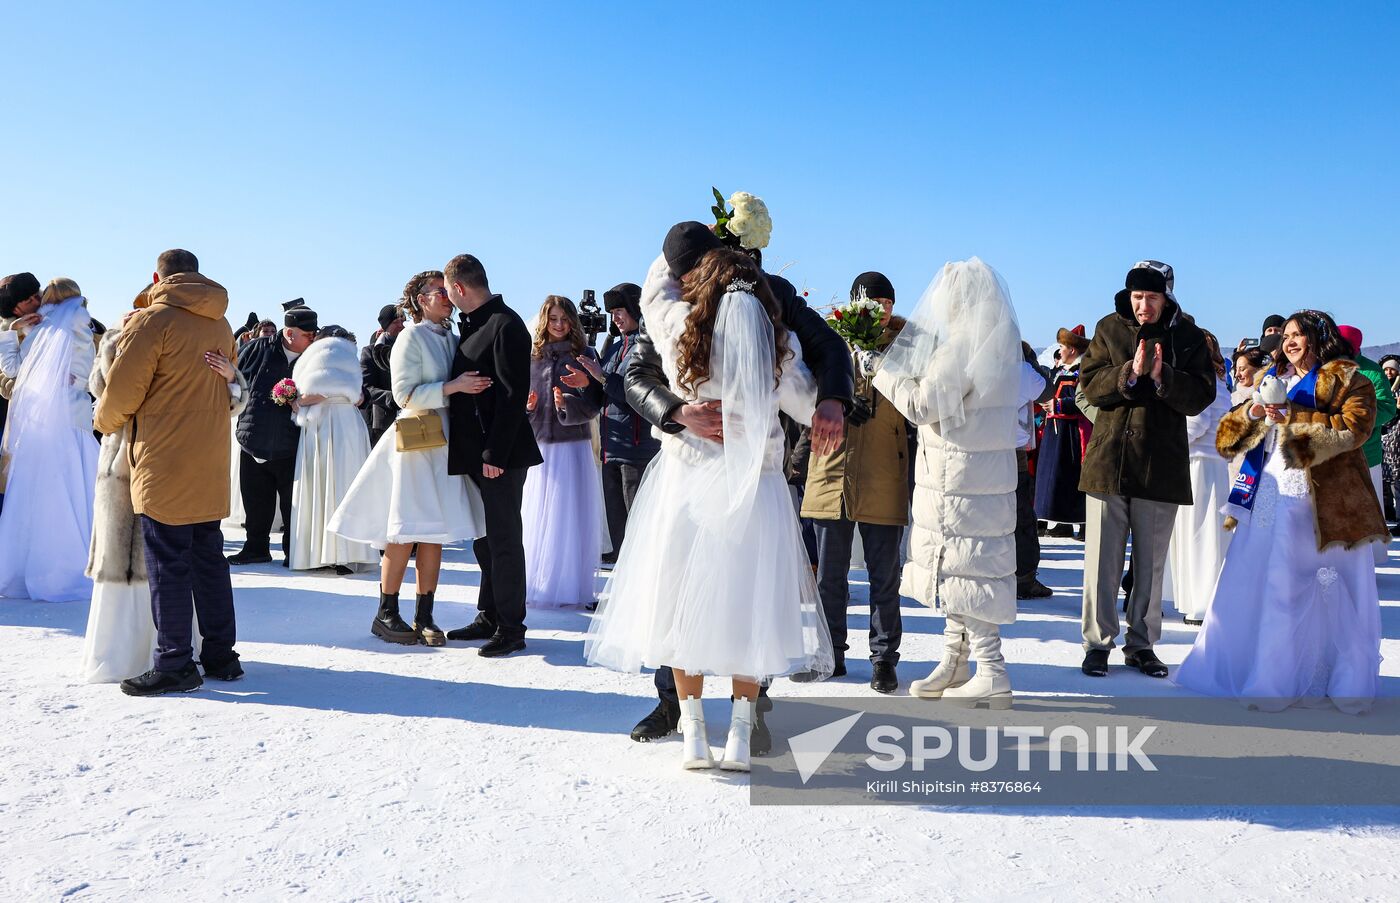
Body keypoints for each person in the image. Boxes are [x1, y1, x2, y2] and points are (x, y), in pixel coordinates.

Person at [586, 248, 834, 771]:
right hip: (755, 491)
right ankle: (740, 738)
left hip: (688, 484)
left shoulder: (680, 332)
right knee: (751, 610)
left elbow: (655, 298)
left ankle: (694, 735)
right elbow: (808, 405)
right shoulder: (778, 346)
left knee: (681, 608)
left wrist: (674, 259)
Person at [1176, 310, 1387, 713]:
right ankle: (1264, 671)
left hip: (1325, 498)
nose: (1288, 342)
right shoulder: (1270, 379)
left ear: (1319, 338)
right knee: (1263, 576)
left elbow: (1355, 429)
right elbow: (1227, 439)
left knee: (1303, 578)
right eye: (1285, 335)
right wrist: (1254, 413)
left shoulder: (1348, 378)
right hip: (1269, 490)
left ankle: (1324, 675)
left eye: (1297, 335)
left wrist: (1293, 418)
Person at [871, 259, 1038, 705]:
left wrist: (879, 369)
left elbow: (921, 405)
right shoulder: (998, 348)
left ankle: (992, 670)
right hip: (982, 477)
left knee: (965, 569)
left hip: (958, 480)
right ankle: (955, 661)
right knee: (961, 571)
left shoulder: (961, 347)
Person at [93, 250, 242, 695]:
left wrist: (101, 422)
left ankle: (175, 662)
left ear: (157, 277)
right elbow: (229, 388)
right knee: (208, 559)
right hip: (209, 457)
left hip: (163, 457)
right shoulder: (220, 322)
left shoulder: (151, 321)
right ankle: (221, 656)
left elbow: (123, 392)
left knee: (167, 563)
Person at [329, 272, 489, 645]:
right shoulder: (410, 337)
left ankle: (424, 615)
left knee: (434, 533)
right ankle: (386, 612)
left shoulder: (451, 336)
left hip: (445, 442)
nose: (447, 297)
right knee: (404, 531)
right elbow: (403, 395)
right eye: (439, 291)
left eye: (448, 291)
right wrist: (453, 387)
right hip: (416, 443)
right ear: (420, 300)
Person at [1077, 260, 1216, 679]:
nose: (1143, 306)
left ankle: (1142, 644)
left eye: (1151, 297)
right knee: (1101, 561)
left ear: (1166, 297)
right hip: (1109, 461)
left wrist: (1163, 376)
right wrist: (1129, 372)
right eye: (1137, 297)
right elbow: (1089, 385)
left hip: (1160, 464)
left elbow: (1202, 395)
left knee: (1151, 564)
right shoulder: (1108, 328)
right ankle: (1097, 643)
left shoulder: (1188, 336)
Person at [798, 271, 909, 693]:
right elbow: (801, 392)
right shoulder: (831, 342)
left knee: (885, 576)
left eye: (887, 303)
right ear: (854, 303)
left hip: (884, 469)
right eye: (872, 302)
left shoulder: (907, 347)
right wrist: (839, 400)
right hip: (832, 467)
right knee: (829, 576)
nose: (880, 310)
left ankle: (884, 659)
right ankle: (831, 655)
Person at [442, 254, 543, 657]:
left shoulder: (505, 324)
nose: (447, 298)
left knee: (504, 540)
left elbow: (513, 396)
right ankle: (489, 614)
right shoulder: (474, 324)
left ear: (459, 287)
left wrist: (495, 454)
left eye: (448, 291)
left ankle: (512, 627)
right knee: (484, 542)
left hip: (501, 456)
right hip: (477, 455)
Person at [0, 277, 98, 602]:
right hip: (75, 421)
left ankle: (33, 566)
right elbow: (89, 375)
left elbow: (12, 370)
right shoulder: (84, 327)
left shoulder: (42, 331)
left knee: (40, 495)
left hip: (42, 426)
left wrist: (10, 332)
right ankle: (82, 560)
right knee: (78, 493)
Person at [515, 295, 605, 607]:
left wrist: (570, 402)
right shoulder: (532, 356)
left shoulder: (585, 354)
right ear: (544, 320)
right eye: (553, 318)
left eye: (564, 319)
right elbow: (521, 402)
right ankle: (538, 582)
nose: (558, 325)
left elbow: (595, 403)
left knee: (569, 516)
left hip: (573, 444)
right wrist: (528, 409)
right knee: (538, 515)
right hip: (540, 445)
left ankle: (569, 586)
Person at [566, 283, 660, 567]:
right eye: (612, 312)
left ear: (636, 309)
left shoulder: (650, 347)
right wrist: (585, 384)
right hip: (611, 447)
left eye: (620, 310)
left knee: (638, 517)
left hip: (638, 448)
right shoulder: (615, 347)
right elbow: (601, 398)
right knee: (616, 517)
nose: (615, 317)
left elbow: (639, 395)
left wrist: (602, 377)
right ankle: (622, 562)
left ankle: (642, 569)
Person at [229, 300, 319, 566]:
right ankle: (256, 548)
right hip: (253, 435)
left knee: (293, 503)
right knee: (255, 499)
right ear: (289, 333)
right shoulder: (257, 348)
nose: (312, 339)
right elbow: (236, 381)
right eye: (308, 335)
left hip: (291, 442)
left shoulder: (314, 357)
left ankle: (294, 552)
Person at [289, 326, 377, 573]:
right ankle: (347, 553)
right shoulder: (348, 356)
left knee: (324, 483)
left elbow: (318, 391)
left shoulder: (326, 354)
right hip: (346, 423)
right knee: (344, 483)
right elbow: (358, 396)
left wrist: (297, 401)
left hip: (328, 424)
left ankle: (320, 553)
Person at [1163, 330, 1234, 625]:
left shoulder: (1200, 381)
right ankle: (1202, 598)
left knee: (1197, 533)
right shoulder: (1218, 379)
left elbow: (1196, 423)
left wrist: (1165, 442)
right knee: (1206, 533)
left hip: (1197, 463)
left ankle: (1200, 601)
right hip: (1209, 463)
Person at [1336, 325, 1396, 566]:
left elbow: (1387, 407)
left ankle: (1370, 560)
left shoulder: (1372, 371)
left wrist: (1359, 420)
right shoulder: (1326, 367)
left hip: (1365, 453)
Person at [1034, 325, 1093, 538]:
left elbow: (1084, 401)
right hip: (1056, 432)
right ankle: (1062, 521)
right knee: (1058, 478)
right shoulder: (1062, 370)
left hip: (1072, 434)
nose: (1059, 351)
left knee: (1072, 477)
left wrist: (1057, 405)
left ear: (1072, 350)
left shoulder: (1083, 371)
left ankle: (1084, 523)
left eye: (1062, 347)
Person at [1014, 342, 1055, 597]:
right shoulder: (1018, 369)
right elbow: (1047, 389)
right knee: (1022, 519)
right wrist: (1030, 362)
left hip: (977, 453)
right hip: (1012, 451)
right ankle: (1024, 579)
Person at [0, 272, 43, 514]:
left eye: (37, 294)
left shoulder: (49, 316)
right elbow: (7, 376)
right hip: (12, 417)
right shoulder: (6, 331)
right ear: (16, 308)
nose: (38, 300)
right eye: (29, 300)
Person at [361, 304, 403, 445]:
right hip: (383, 425)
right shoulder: (370, 352)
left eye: (403, 321)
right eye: (396, 322)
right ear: (385, 326)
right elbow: (366, 388)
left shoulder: (410, 348)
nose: (401, 326)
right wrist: (394, 398)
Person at [1380, 354, 1400, 533]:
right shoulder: (1381, 387)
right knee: (1385, 479)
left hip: (1396, 439)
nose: (1388, 372)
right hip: (1384, 438)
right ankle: (1388, 513)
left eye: (1392, 369)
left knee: (1397, 479)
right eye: (1385, 369)